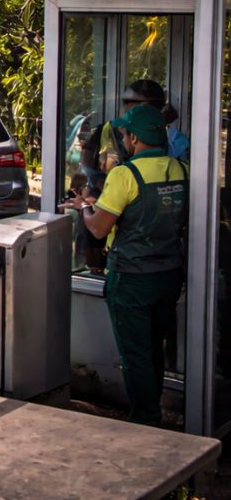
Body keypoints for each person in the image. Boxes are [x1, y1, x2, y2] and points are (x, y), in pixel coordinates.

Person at [60, 104, 187, 426]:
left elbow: (99, 228)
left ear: (134, 138)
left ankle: (145, 420)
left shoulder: (125, 174)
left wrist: (84, 209)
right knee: (154, 348)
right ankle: (152, 409)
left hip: (131, 277)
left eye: (126, 134)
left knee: (135, 354)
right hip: (168, 274)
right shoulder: (180, 168)